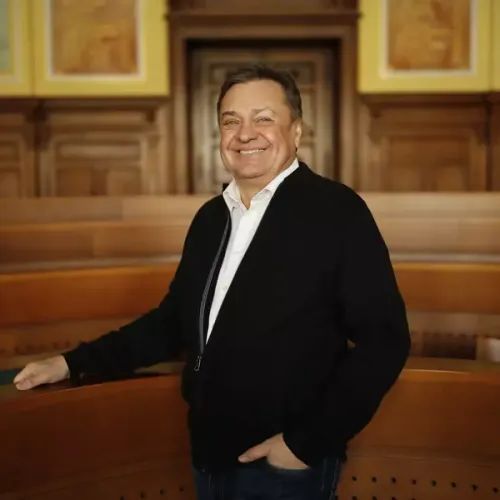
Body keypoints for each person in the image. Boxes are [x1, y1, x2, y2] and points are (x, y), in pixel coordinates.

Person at [14, 64, 411, 500]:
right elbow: (172, 322)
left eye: (263, 118)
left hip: (286, 463)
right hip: (208, 450)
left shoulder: (337, 212)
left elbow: (385, 341)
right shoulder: (210, 218)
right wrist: (72, 363)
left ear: (296, 131)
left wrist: (305, 443)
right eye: (231, 121)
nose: (245, 134)